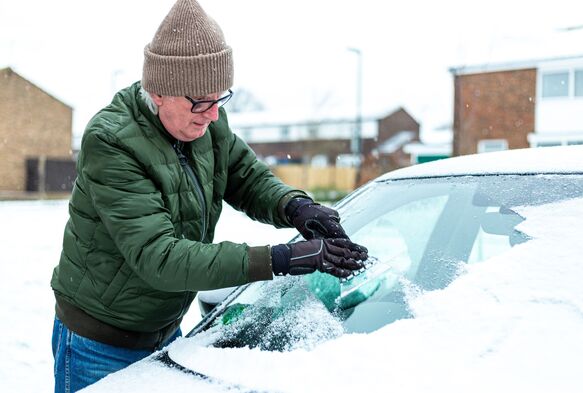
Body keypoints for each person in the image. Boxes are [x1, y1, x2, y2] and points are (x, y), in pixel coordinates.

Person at [50, 0, 368, 391]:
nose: (212, 114)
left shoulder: (207, 122)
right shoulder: (111, 142)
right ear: (159, 91)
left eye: (219, 98)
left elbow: (245, 176)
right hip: (100, 342)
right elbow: (160, 257)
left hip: (166, 331)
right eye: (199, 101)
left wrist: (296, 207)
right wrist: (278, 259)